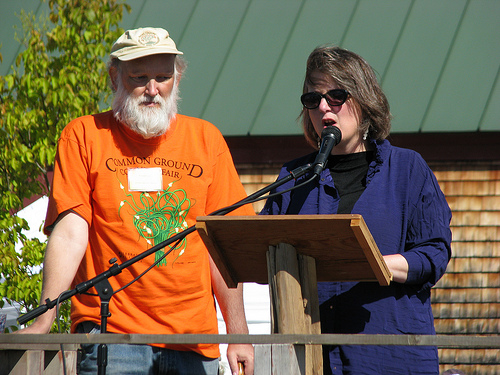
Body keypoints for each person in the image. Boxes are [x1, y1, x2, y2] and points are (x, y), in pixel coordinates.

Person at [18, 27, 254, 375]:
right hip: (112, 338)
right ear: (114, 77)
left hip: (193, 340)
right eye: (139, 77)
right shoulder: (84, 136)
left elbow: (222, 247)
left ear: (178, 77)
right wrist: (44, 316)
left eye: (163, 76)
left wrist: (239, 334)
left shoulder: (207, 140)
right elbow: (70, 233)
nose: (152, 89)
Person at [260, 45, 452, 374]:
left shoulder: (407, 169)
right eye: (312, 100)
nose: (323, 108)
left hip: (388, 358)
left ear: (363, 100)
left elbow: (434, 253)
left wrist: (372, 262)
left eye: (336, 96)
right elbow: (262, 251)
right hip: (311, 359)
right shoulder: (293, 178)